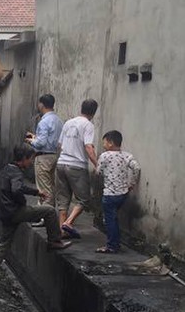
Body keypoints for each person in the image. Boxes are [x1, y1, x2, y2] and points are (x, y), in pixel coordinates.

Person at [0, 143, 71, 282]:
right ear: (24, 159)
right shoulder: (17, 172)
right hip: (16, 211)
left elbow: (18, 187)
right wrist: (22, 202)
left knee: (4, 243)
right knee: (50, 211)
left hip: (5, 213)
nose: (32, 162)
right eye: (31, 159)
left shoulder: (8, 169)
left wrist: (36, 192)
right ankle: (54, 241)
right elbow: (17, 189)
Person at [56, 99, 98, 239]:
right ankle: (68, 223)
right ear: (93, 112)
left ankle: (61, 232)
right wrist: (97, 164)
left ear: (81, 108)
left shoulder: (68, 122)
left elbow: (60, 144)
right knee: (84, 199)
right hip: (76, 165)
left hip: (61, 163)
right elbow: (88, 146)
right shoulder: (88, 125)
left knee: (63, 199)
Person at [95, 130, 140, 253]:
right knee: (113, 218)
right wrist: (132, 183)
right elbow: (136, 168)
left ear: (110, 143)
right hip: (122, 194)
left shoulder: (104, 156)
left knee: (110, 220)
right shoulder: (126, 156)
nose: (103, 145)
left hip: (109, 195)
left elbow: (98, 172)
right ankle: (115, 243)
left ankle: (112, 245)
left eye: (104, 143)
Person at [25, 93, 63, 207]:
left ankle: (44, 215)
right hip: (54, 156)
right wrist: (35, 137)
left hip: (43, 157)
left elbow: (41, 143)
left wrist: (31, 141)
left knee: (43, 188)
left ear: (41, 105)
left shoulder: (44, 121)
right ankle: (49, 210)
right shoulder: (59, 121)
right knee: (51, 185)